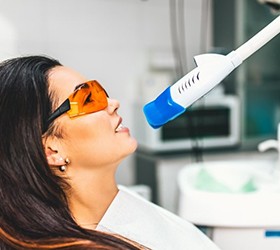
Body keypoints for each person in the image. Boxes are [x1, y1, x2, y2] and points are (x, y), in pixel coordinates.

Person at [0, 55, 220, 250]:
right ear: (51, 150)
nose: (113, 103)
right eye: (88, 98)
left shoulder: (119, 202)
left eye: (101, 92)